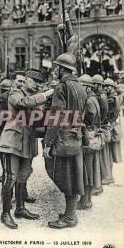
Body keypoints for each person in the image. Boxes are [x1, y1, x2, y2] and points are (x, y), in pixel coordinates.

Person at [0, 68, 54, 229]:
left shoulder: (33, 96)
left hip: (27, 142)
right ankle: (5, 213)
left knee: (23, 175)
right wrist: (46, 95)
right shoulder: (15, 92)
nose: (37, 85)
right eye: (35, 81)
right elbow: (23, 103)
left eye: (39, 83)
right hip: (12, 141)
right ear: (27, 79)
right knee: (10, 177)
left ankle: (20, 208)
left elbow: (37, 119)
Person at [43, 52, 87, 229]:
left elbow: (56, 117)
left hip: (63, 138)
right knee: (74, 175)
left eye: (57, 67)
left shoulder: (62, 87)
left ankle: (69, 218)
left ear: (62, 69)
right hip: (76, 136)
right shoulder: (81, 87)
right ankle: (70, 214)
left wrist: (47, 143)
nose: (55, 70)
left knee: (65, 176)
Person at [78, 74, 101, 209]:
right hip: (92, 133)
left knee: (86, 169)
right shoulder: (94, 98)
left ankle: (86, 201)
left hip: (89, 135)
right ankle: (86, 199)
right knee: (89, 168)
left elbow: (88, 119)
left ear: (86, 87)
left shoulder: (89, 100)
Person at [92, 74, 109, 192]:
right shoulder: (99, 95)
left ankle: (99, 184)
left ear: (98, 85)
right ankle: (99, 183)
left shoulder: (102, 96)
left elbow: (104, 112)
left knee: (99, 157)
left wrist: (100, 123)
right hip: (99, 126)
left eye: (94, 84)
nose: (92, 86)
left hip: (100, 126)